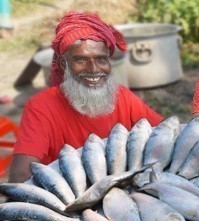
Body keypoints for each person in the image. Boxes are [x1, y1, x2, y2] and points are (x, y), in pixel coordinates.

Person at [8, 11, 164, 183]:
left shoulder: (122, 96)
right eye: (81, 60)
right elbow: (20, 176)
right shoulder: (41, 106)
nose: (94, 69)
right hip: (66, 198)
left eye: (101, 59)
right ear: (63, 63)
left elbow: (165, 133)